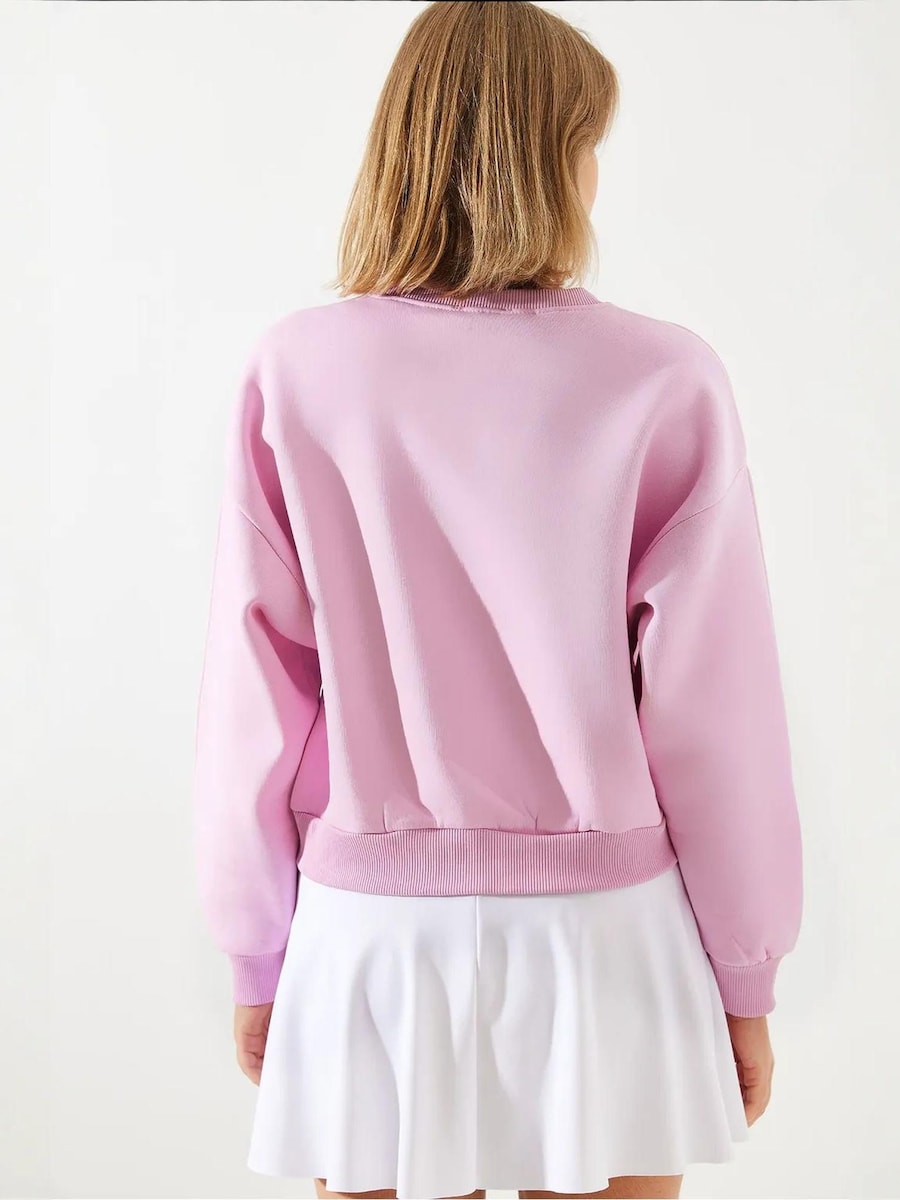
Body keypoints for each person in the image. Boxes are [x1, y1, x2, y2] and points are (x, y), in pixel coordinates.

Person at [191, 3, 804, 1198]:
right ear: (550, 155)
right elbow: (713, 716)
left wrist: (255, 946)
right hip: (606, 935)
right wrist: (745, 974)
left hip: (372, 934)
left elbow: (254, 691)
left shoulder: (299, 370)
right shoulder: (664, 377)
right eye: (588, 146)